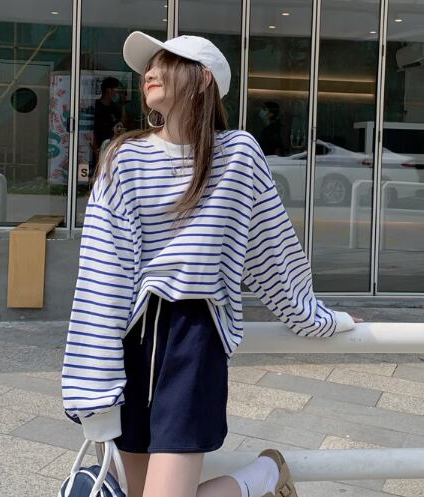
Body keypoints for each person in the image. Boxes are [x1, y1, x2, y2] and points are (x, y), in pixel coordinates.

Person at [61, 31, 360, 497]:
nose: (150, 73)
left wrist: (318, 319)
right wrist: (93, 388)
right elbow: (103, 275)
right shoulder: (123, 156)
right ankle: (265, 479)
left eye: (165, 63)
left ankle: (264, 474)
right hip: (132, 339)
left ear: (203, 79)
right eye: (149, 66)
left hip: (195, 338)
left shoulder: (238, 154)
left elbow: (272, 252)